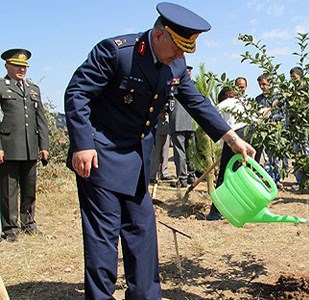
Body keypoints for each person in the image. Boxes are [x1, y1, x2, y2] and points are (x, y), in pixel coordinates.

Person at [64, 3, 255, 299]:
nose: (180, 57)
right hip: (100, 155)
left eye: (185, 51)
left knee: (142, 233)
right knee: (103, 238)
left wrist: (231, 138)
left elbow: (197, 102)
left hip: (137, 160)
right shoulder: (117, 52)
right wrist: (83, 144)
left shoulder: (175, 65)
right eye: (177, 49)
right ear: (158, 36)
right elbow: (77, 93)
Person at [0, 49, 49, 242]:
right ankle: (10, 229)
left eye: (24, 67)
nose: (22, 70)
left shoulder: (33, 89)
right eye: (17, 66)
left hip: (30, 146)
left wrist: (44, 146)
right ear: (7, 66)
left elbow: (41, 119)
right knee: (8, 190)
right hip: (9, 147)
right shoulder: (2, 87)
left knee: (30, 187)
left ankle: (28, 223)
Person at [208, 86, 248, 220]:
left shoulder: (222, 105)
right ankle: (236, 209)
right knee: (240, 175)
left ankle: (215, 212)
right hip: (247, 136)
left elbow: (217, 125)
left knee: (225, 175)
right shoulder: (243, 102)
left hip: (234, 137)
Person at [170, 65, 198, 188]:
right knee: (190, 151)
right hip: (191, 122)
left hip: (177, 122)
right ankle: (192, 176)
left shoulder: (173, 84)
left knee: (180, 151)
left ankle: (182, 179)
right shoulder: (194, 85)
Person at [149, 101, 175, 184]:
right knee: (156, 153)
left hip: (166, 125)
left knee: (165, 151)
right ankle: (152, 175)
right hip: (157, 124)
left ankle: (164, 172)